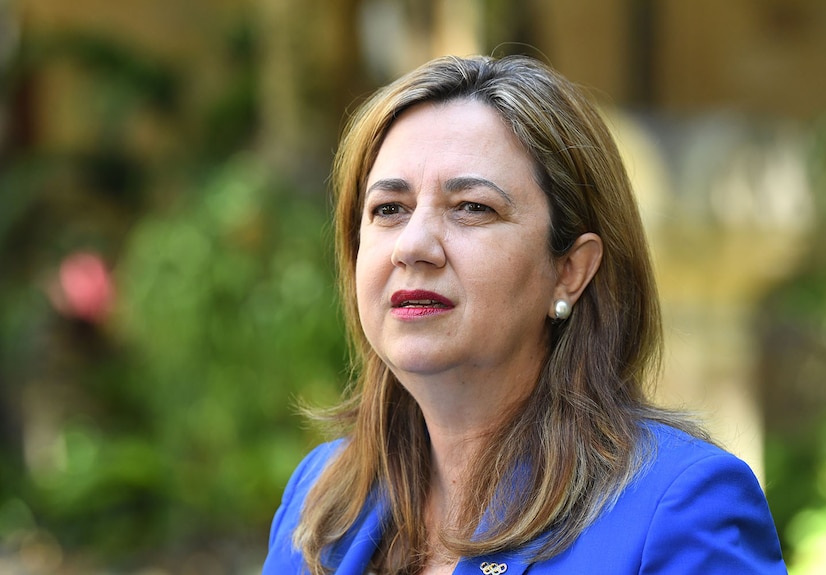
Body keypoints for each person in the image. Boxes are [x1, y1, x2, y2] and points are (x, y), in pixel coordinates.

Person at [262, 54, 787, 575]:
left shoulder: (679, 509)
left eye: (472, 207)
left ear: (569, 271)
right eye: (389, 209)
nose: (413, 245)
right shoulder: (321, 497)